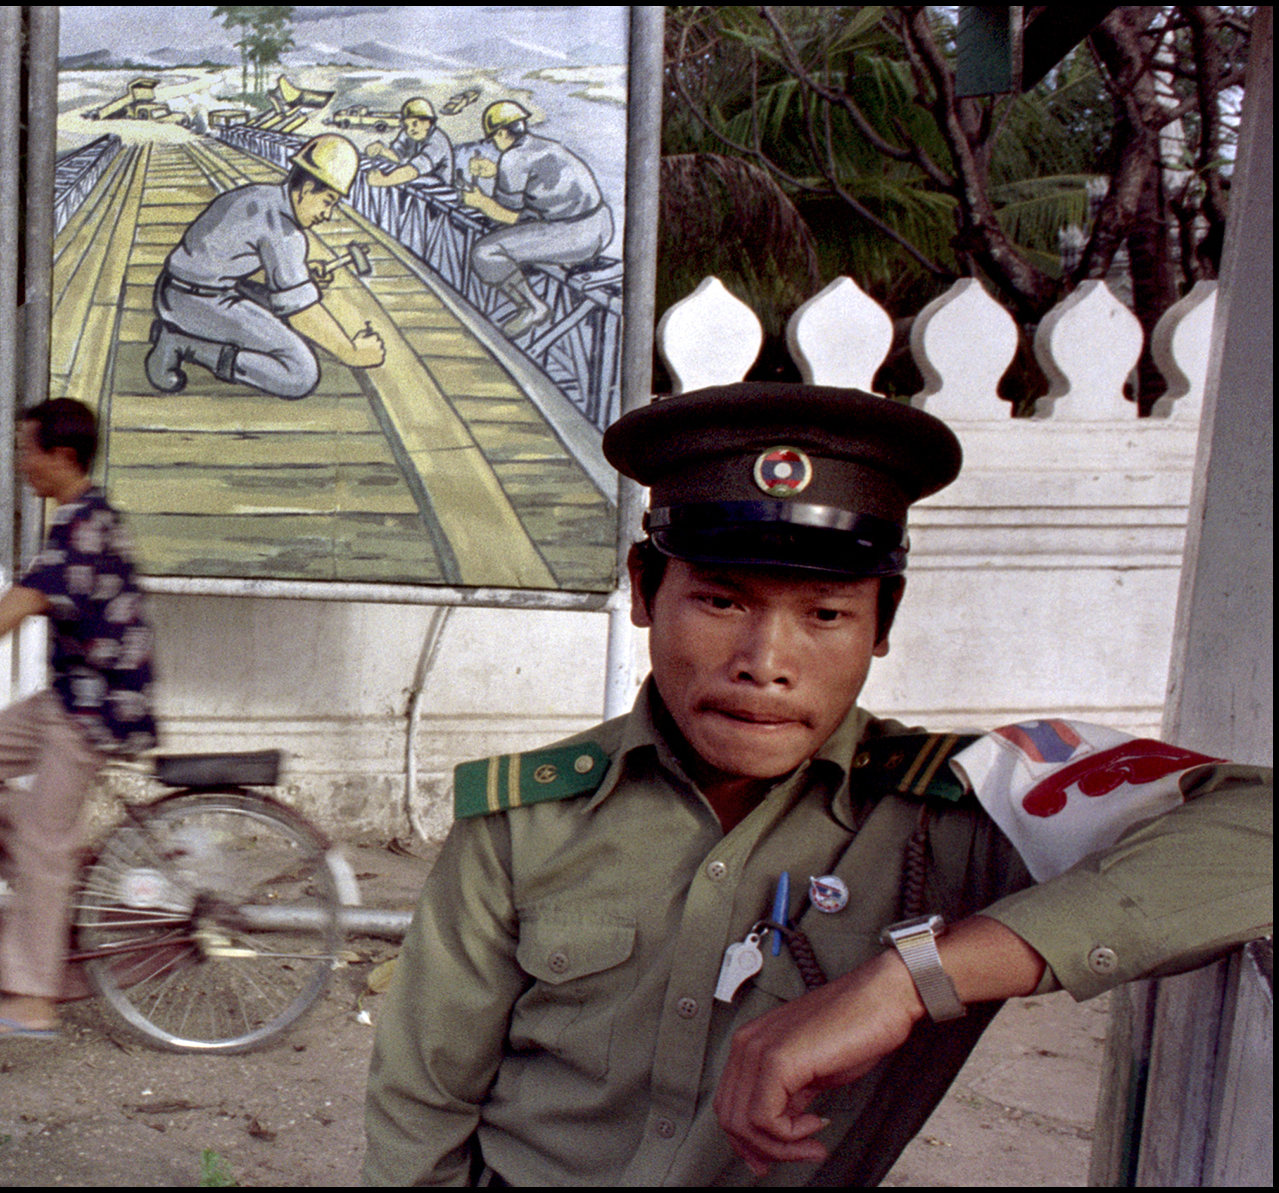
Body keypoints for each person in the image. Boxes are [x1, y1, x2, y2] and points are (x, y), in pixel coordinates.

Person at [362, 382, 1272, 1185]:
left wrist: (909, 981)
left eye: (826, 613)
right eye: (721, 601)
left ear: (884, 621)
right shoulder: (526, 819)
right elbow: (423, 1107)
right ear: (645, 589)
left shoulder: (956, 808)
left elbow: (1256, 822)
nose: (766, 663)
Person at [0, 397, 158, 1039]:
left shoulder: (88, 523)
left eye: (27, 450)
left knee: (43, 844)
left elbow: (30, 594)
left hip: (96, 705)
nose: (19, 464)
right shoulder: (73, 519)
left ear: (63, 457)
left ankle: (31, 999)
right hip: (67, 695)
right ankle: (54, 887)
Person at [145, 132, 385, 401]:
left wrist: (300, 275)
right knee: (300, 374)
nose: (327, 214)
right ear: (306, 189)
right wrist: (353, 352)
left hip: (171, 289)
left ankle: (182, 332)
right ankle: (182, 344)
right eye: (327, 201)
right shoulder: (285, 231)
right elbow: (303, 313)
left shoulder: (259, 196)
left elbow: (225, 257)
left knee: (280, 308)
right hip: (198, 304)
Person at [461, 100, 614, 338]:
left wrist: (480, 202)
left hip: (575, 236)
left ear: (502, 132)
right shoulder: (544, 146)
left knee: (485, 252)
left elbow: (507, 215)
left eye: (492, 138)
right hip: (601, 226)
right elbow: (537, 184)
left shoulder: (512, 159)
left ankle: (533, 306)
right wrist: (494, 170)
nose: (493, 143)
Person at [367, 98, 455, 188]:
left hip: (439, 190)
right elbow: (397, 156)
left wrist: (384, 180)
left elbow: (413, 171)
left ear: (428, 121)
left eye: (415, 123)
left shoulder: (437, 141)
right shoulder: (408, 133)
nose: (410, 129)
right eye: (406, 126)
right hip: (417, 184)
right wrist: (381, 150)